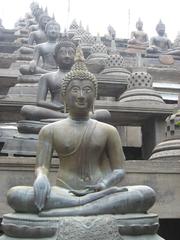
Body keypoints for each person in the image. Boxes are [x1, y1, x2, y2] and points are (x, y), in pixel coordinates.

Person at [7, 47, 156, 217]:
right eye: (75, 90)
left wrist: (105, 183)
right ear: (64, 96)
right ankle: (81, 205)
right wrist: (41, 178)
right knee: (15, 195)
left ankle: (72, 209)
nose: (81, 96)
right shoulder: (49, 130)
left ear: (95, 96)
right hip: (62, 193)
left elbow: (119, 170)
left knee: (146, 193)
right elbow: (42, 166)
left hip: (99, 190)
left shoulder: (108, 130)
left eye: (87, 90)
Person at [21, 37, 76, 120]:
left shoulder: (82, 76)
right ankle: (65, 117)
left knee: (102, 113)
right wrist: (58, 107)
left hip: (76, 111)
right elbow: (40, 101)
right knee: (27, 109)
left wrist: (78, 108)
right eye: (63, 53)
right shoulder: (47, 77)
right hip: (55, 110)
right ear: (55, 57)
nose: (67, 56)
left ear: (76, 57)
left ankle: (69, 116)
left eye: (71, 53)